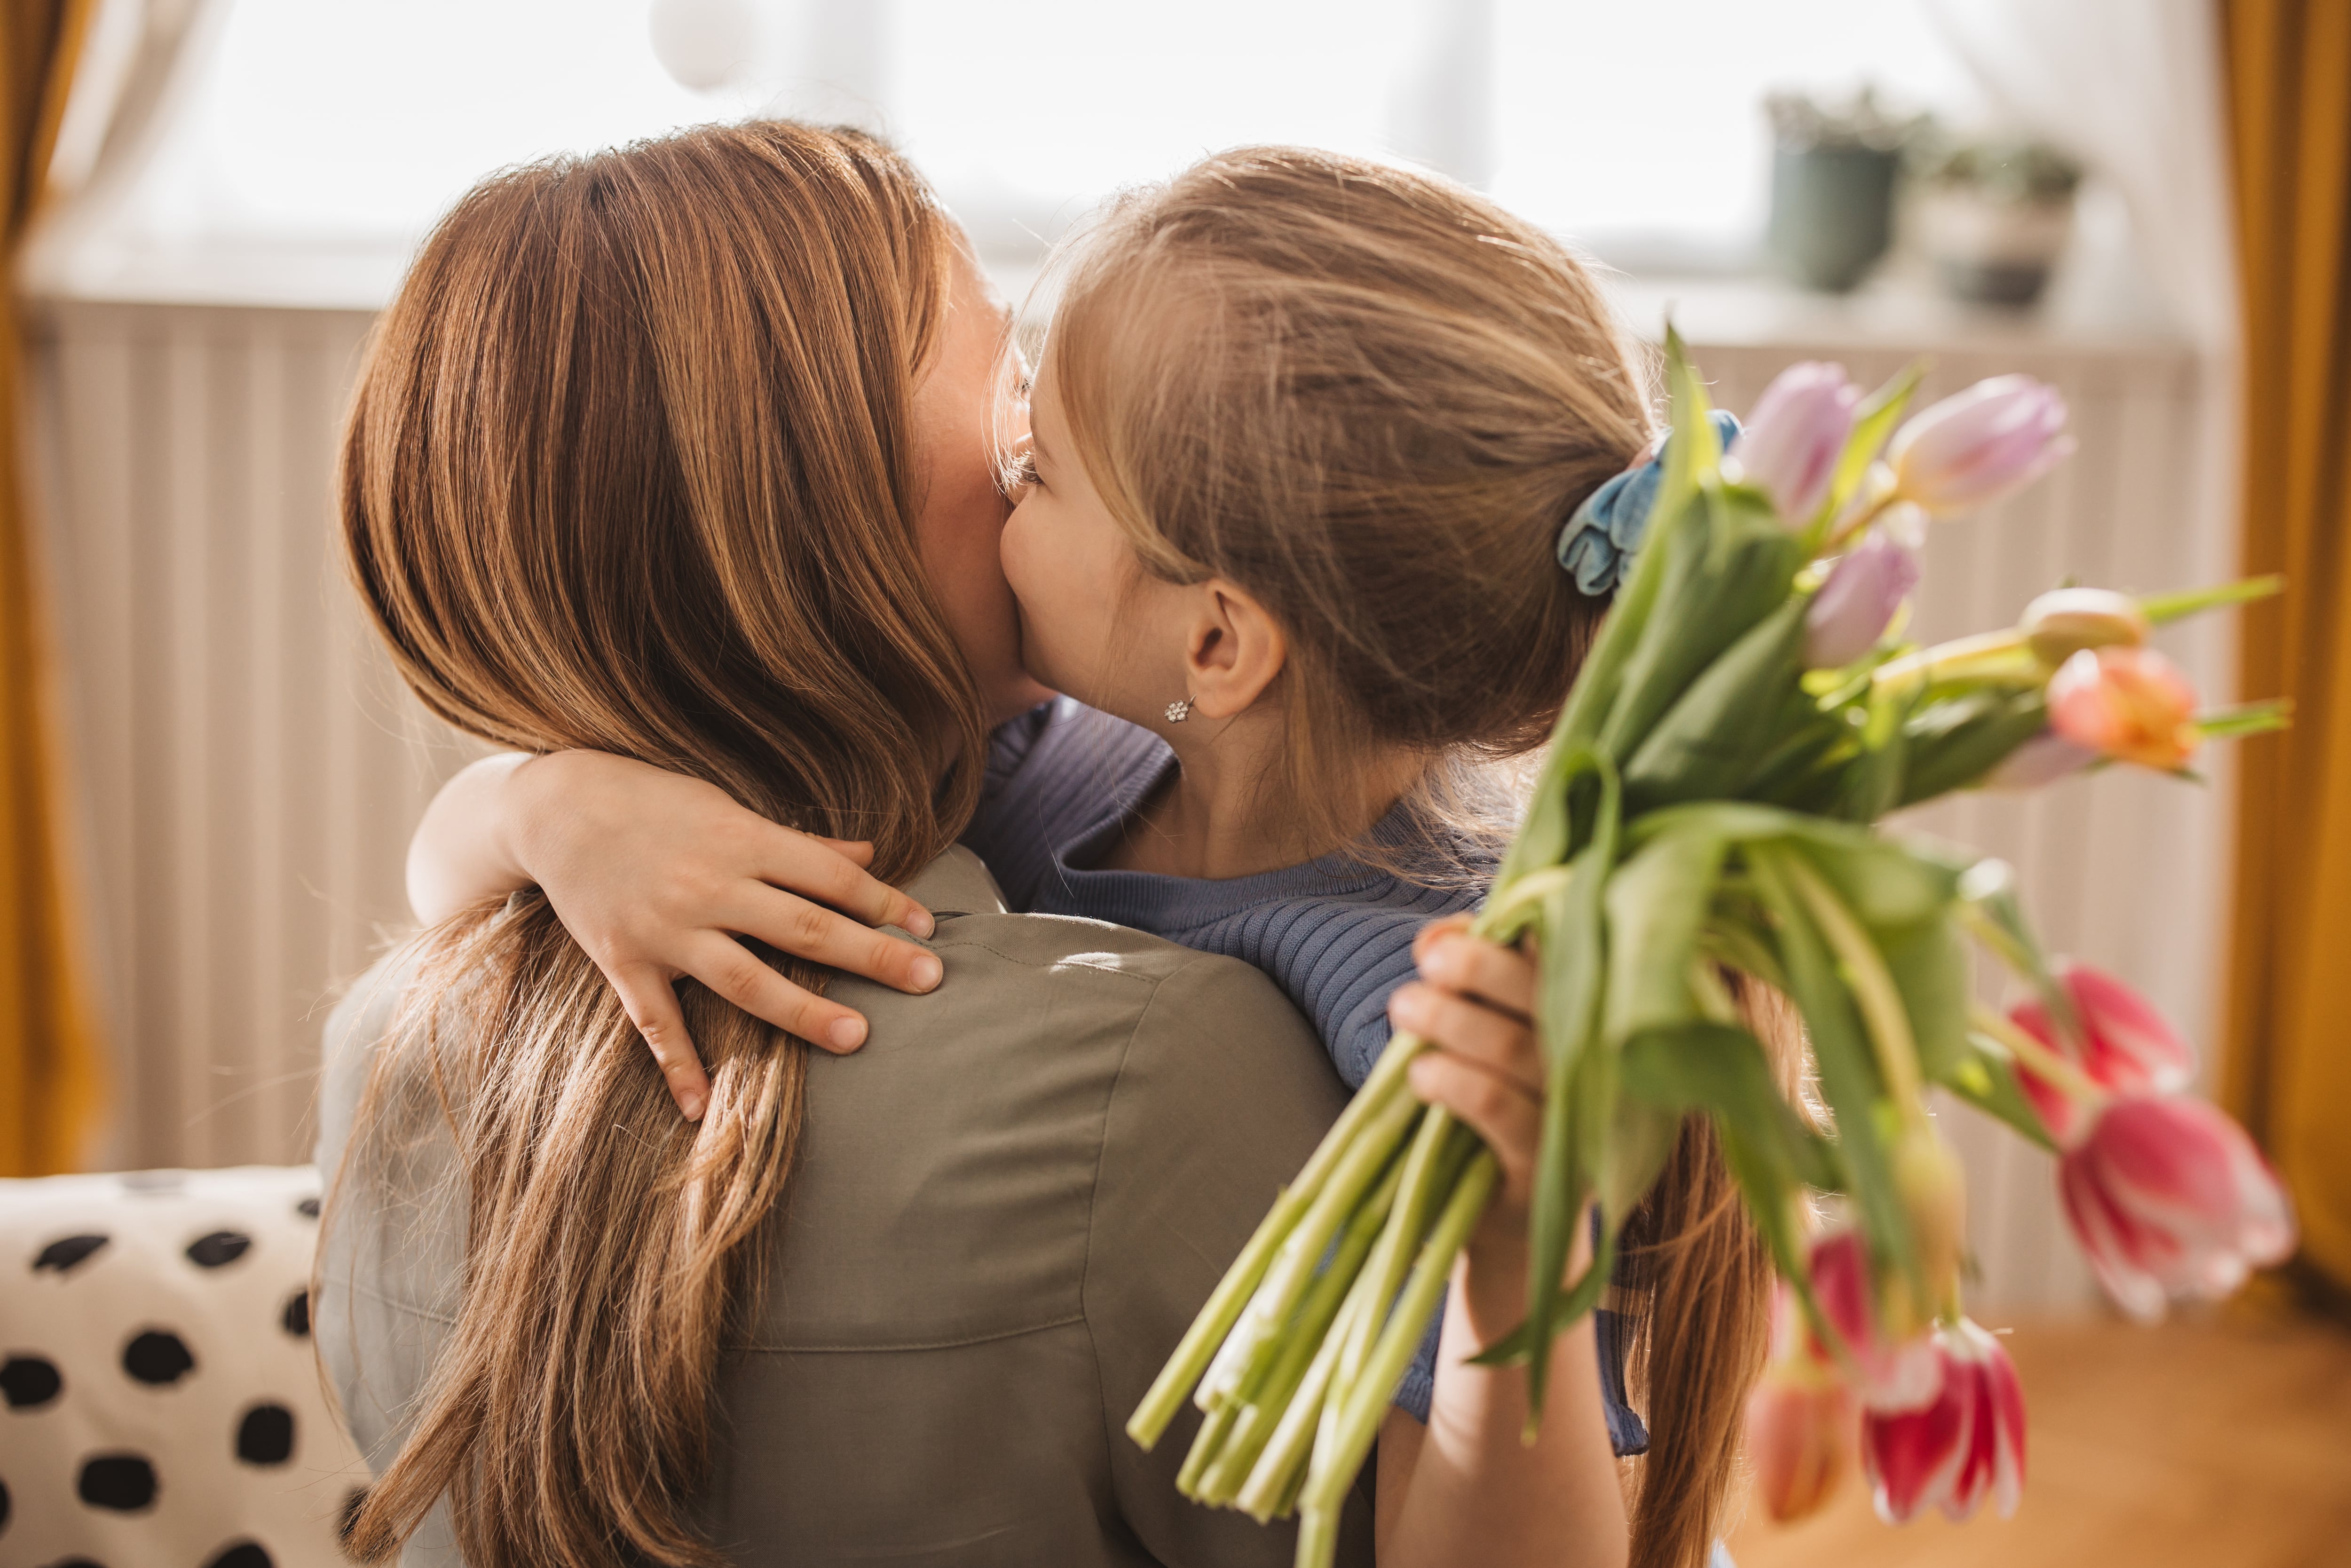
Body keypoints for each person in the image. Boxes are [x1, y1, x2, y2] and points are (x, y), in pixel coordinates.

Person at [408, 143, 1786, 1568]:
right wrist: (546, 813)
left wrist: (1515, 1258)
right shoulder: (1052, 766)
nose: (1003, 481)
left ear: (1217, 642)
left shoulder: (1428, 1003)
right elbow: (437, 886)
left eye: (1042, 473)